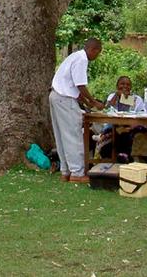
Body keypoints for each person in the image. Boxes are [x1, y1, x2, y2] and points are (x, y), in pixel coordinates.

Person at [50, 38, 104, 184]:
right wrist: (94, 102)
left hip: (56, 96)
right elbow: (80, 85)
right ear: (94, 50)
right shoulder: (82, 59)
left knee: (62, 136)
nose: (96, 56)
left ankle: (65, 172)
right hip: (64, 99)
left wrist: (88, 103)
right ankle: (77, 173)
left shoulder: (74, 56)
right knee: (73, 135)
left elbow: (75, 88)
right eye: (98, 53)